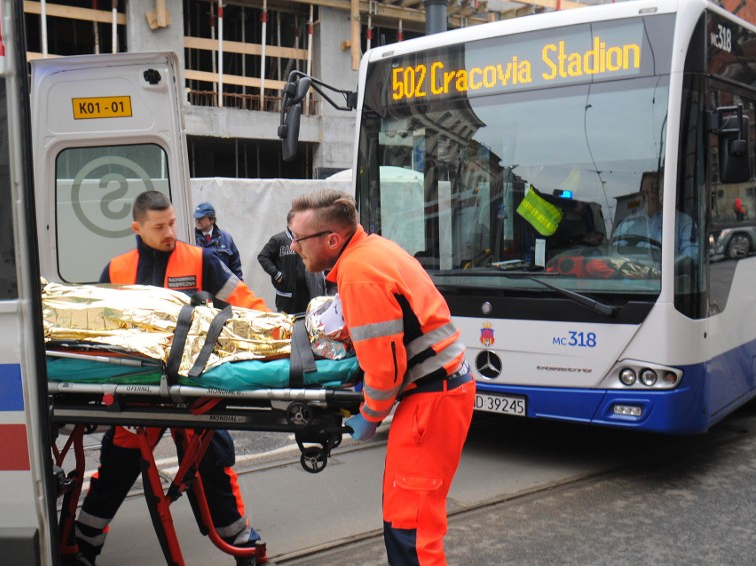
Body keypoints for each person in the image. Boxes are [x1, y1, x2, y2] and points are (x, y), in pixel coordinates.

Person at [73, 191, 267, 566]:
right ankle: (82, 545)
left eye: (173, 223)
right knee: (116, 469)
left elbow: (246, 303)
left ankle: (243, 545)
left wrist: (273, 342)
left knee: (214, 465)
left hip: (193, 389)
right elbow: (97, 328)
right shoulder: (116, 270)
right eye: (159, 226)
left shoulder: (201, 260)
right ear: (137, 227)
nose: (169, 232)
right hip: (139, 390)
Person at [288, 189, 476, 565]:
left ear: (331, 239)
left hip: (431, 399)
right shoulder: (374, 250)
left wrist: (370, 416)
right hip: (437, 391)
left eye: (298, 238)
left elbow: (386, 371)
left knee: (412, 531)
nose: (293, 247)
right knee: (406, 520)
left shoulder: (359, 274)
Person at [612, 171, 699, 262]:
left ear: (664, 189)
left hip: (667, 275)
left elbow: (691, 257)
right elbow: (615, 257)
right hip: (633, 274)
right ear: (641, 192)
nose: (653, 189)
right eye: (649, 186)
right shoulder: (627, 225)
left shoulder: (683, 222)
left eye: (657, 185)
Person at [257, 211, 330, 314]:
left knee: (306, 322)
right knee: (287, 325)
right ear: (291, 222)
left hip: (307, 292)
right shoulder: (278, 239)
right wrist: (276, 273)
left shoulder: (306, 238)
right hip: (287, 295)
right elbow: (263, 256)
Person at [193, 201, 244, 280]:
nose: (198, 221)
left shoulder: (226, 238)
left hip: (223, 289)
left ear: (212, 220)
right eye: (196, 218)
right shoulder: (191, 239)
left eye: (201, 218)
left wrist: (239, 288)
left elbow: (235, 268)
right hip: (201, 290)